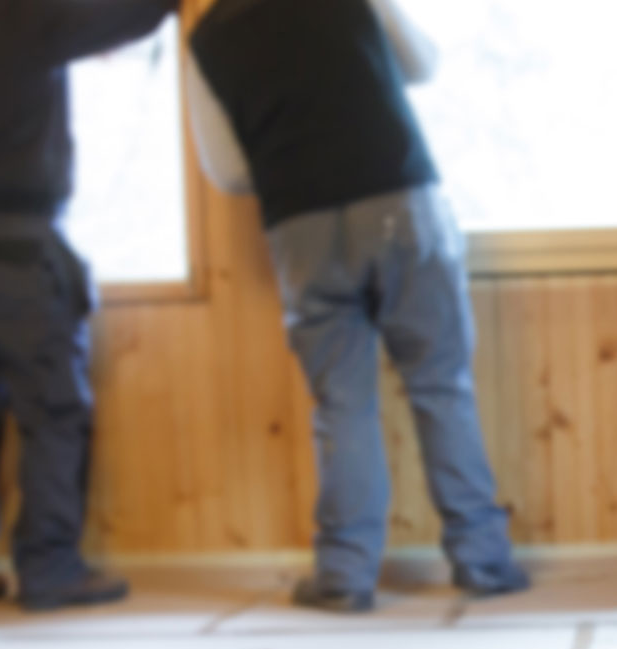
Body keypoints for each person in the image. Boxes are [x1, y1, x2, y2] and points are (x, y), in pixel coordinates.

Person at [185, 0, 528, 612]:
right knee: (441, 386)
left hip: (301, 227)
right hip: (400, 202)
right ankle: (485, 563)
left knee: (341, 403)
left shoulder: (207, 37)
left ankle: (345, 576)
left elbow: (229, 170)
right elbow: (422, 64)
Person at [0, 0, 177, 611]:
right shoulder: (11, 12)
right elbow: (118, 18)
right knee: (54, 409)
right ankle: (50, 567)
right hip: (16, 248)